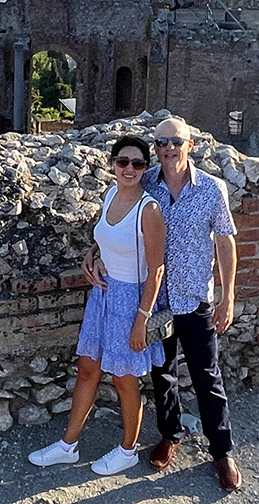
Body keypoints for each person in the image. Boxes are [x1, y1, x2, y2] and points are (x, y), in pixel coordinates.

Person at [83, 117, 243, 492]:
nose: (168, 148)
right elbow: (117, 222)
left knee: (207, 376)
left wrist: (228, 294)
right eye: (161, 142)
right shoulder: (146, 179)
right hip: (154, 300)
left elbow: (225, 241)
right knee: (163, 373)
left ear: (190, 145)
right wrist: (93, 253)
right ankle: (170, 434)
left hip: (193, 298)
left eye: (176, 141)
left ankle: (222, 452)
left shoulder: (212, 189)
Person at [28, 135, 167, 475]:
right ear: (113, 164)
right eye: (123, 162)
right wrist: (91, 257)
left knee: (124, 379)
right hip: (102, 296)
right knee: (88, 368)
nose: (129, 169)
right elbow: (104, 239)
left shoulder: (148, 210)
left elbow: (157, 269)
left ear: (145, 168)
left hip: (130, 301)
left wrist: (141, 320)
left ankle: (128, 449)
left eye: (137, 163)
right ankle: (68, 445)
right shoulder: (109, 196)